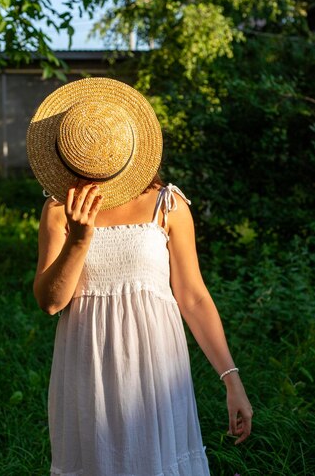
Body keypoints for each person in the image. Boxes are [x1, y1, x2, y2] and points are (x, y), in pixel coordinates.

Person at [27, 77, 253, 476]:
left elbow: (194, 297)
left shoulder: (167, 205)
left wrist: (231, 379)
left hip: (155, 373)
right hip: (88, 370)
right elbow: (50, 301)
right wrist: (79, 240)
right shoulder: (59, 211)